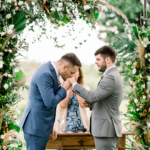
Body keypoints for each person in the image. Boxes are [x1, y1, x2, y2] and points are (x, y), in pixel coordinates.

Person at [18, 53, 82, 150]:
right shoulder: (46, 74)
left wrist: (49, 126)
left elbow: (45, 100)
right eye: (72, 72)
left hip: (41, 126)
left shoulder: (51, 72)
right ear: (64, 67)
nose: (72, 77)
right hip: (35, 127)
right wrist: (64, 88)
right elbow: (50, 103)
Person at [68, 46, 123, 150]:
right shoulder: (112, 75)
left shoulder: (110, 77)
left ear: (107, 59)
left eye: (98, 59)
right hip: (106, 130)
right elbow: (107, 101)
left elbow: (92, 96)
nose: (95, 62)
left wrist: (74, 84)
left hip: (106, 130)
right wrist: (93, 104)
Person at [54, 67, 91, 150]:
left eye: (75, 72)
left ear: (80, 74)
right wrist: (67, 87)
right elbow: (63, 104)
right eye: (71, 72)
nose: (73, 74)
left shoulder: (85, 88)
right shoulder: (62, 88)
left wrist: (76, 86)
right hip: (66, 123)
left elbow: (82, 103)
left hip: (81, 123)